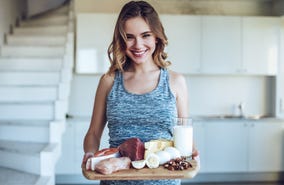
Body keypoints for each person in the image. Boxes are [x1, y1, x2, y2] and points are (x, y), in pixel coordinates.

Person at [82, 1, 199, 185]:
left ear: (157, 37)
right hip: (116, 181)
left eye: (146, 35)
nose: (138, 45)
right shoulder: (109, 81)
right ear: (121, 39)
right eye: (129, 37)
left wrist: (192, 152)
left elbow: (184, 132)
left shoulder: (175, 82)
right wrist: (90, 153)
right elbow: (94, 133)